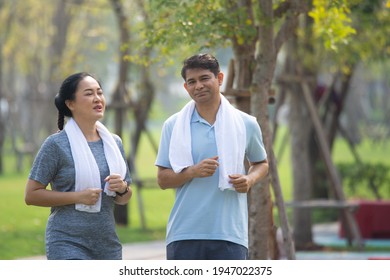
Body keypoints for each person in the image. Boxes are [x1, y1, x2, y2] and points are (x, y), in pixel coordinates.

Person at [155, 53, 269, 260]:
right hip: (184, 233)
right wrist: (192, 172)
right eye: (192, 82)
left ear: (219, 78)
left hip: (230, 234)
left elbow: (261, 163)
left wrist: (249, 179)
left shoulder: (246, 123)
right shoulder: (173, 125)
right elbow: (162, 180)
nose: (198, 86)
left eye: (204, 78)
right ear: (186, 87)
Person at [25, 72, 132, 260]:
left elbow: (123, 199)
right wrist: (77, 197)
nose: (97, 98)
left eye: (99, 92)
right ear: (70, 103)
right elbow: (31, 195)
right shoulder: (56, 145)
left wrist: (122, 188)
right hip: (67, 242)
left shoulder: (114, 143)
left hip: (107, 244)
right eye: (89, 93)